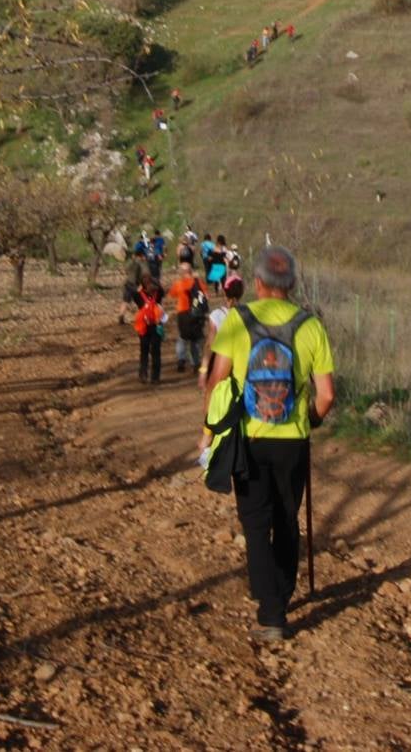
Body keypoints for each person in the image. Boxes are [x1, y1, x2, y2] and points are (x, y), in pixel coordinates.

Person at [199, 244, 335, 642]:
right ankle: (279, 592)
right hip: (293, 441)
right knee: (286, 520)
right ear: (292, 284)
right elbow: (326, 395)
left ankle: (270, 608)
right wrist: (308, 421)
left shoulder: (238, 322)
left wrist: (207, 434)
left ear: (257, 283)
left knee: (255, 523)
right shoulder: (311, 326)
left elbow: (216, 381)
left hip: (250, 439)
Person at [168, 259, 207, 373]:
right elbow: (205, 296)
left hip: (183, 313)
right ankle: (195, 363)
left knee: (182, 338)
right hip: (197, 313)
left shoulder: (178, 284)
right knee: (195, 339)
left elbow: (171, 295)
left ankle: (181, 359)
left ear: (183, 272)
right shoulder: (198, 282)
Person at [132, 277, 166, 385]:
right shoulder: (158, 294)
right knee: (156, 352)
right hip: (156, 325)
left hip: (143, 326)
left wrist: (140, 289)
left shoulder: (138, 296)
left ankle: (143, 374)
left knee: (144, 351)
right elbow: (162, 290)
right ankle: (155, 377)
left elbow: (134, 294)